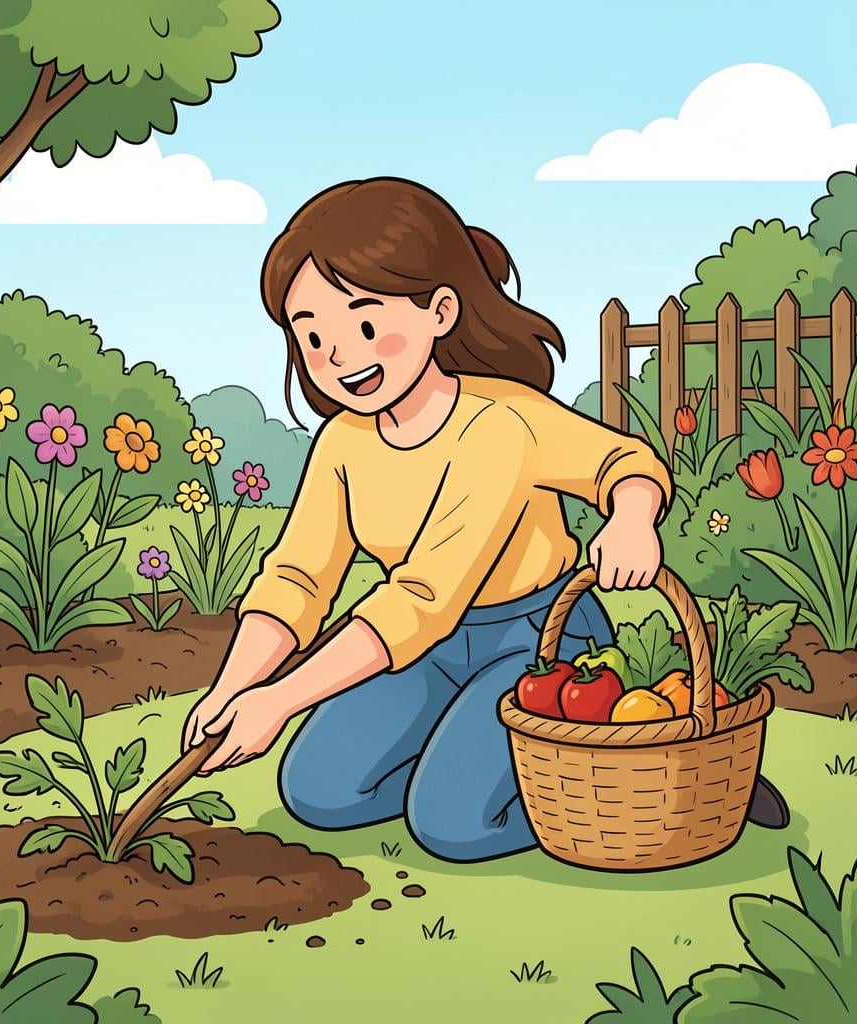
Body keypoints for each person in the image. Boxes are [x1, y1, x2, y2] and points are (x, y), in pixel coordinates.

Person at [181, 177, 787, 863]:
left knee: (454, 826)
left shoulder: (500, 424)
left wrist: (632, 517)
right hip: (421, 649)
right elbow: (297, 579)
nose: (339, 356)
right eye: (312, 335)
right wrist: (236, 686)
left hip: (538, 639)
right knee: (319, 790)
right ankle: (469, 756)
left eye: (366, 323)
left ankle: (638, 781)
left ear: (440, 310)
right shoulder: (345, 443)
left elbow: (621, 463)